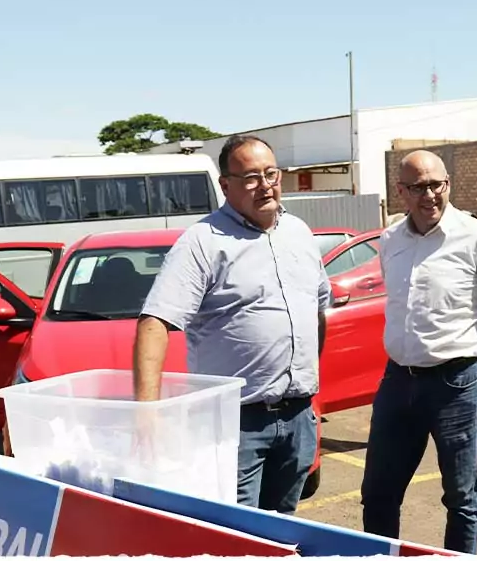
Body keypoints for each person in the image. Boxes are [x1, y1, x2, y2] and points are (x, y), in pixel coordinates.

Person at [133, 135, 331, 515]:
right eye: (251, 177)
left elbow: (317, 311)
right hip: (235, 425)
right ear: (226, 185)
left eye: (271, 173)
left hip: (298, 419)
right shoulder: (203, 242)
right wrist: (147, 411)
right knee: (234, 534)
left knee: (283, 529)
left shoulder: (300, 234)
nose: (265, 185)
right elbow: (155, 322)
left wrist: (308, 384)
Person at [360, 150, 477, 554]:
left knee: (461, 499)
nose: (430, 195)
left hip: (455, 384)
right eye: (418, 187)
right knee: (378, 494)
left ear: (448, 184)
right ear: (401, 191)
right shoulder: (390, 240)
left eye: (437, 185)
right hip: (398, 381)